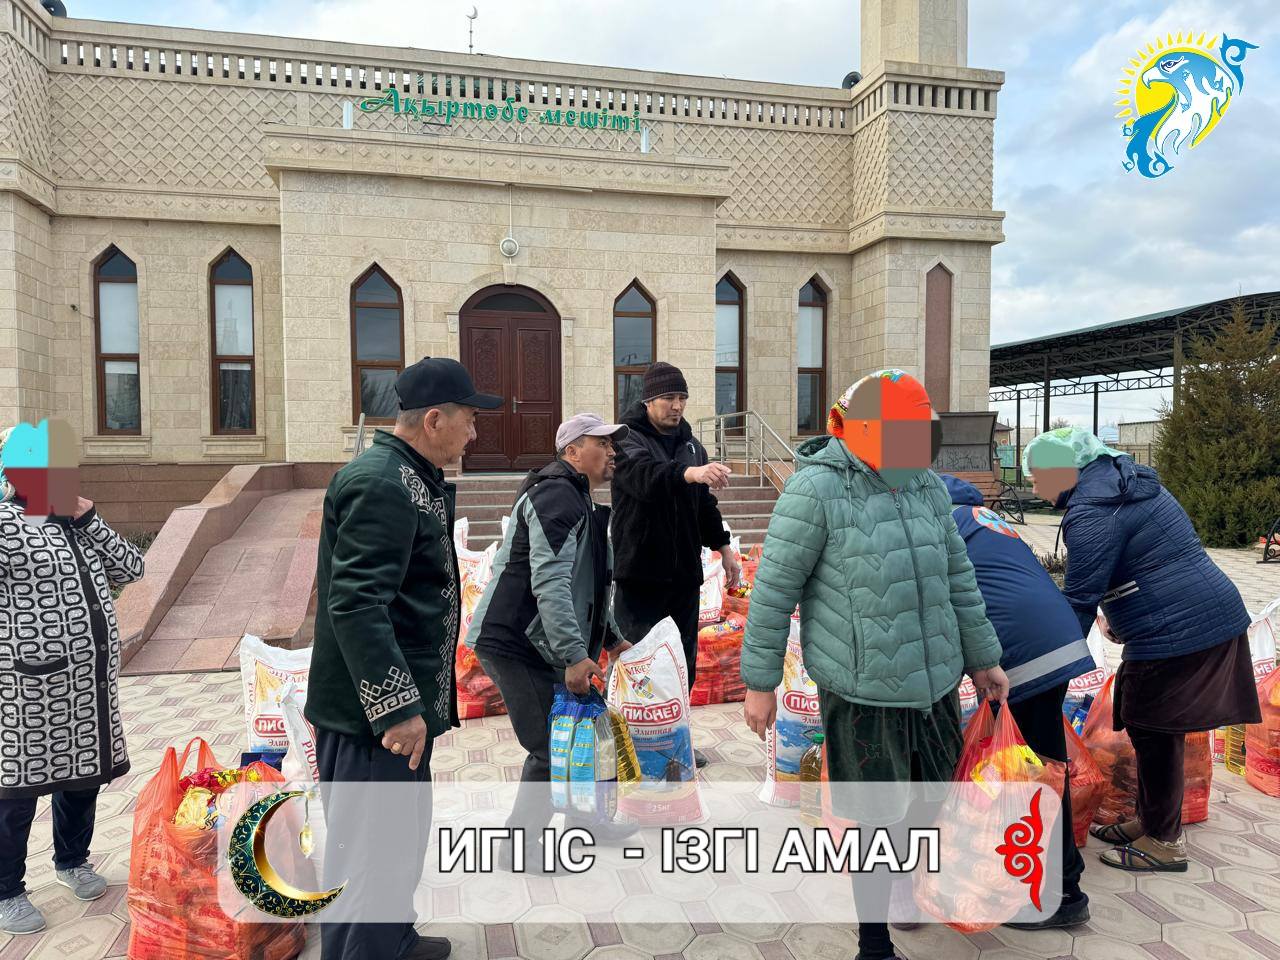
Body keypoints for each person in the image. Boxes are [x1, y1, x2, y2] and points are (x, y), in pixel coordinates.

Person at [741, 371, 1008, 960]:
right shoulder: (816, 489)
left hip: (936, 681)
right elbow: (774, 590)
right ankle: (873, 940)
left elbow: (958, 577)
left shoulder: (926, 485)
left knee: (930, 797)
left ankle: (906, 883)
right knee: (873, 817)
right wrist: (760, 682)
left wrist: (983, 657)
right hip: (863, 687)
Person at [305, 357, 501, 960]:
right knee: (366, 858)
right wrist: (394, 709)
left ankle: (393, 940)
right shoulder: (382, 483)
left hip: (399, 714)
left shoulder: (410, 475)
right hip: (372, 720)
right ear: (434, 420)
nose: (475, 433)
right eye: (469, 420)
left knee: (396, 842)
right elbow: (357, 603)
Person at [1022, 427, 1260, 873]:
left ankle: (1164, 841)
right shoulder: (1127, 483)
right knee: (1141, 718)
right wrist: (1120, 614)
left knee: (1155, 728)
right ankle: (1152, 821)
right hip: (1194, 614)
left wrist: (1049, 670)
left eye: (1037, 478)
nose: (1034, 488)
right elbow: (1147, 561)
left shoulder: (1093, 510)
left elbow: (1079, 599)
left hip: (1180, 629)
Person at [470, 413, 636, 867]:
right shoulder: (556, 496)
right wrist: (574, 655)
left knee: (584, 731)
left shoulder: (577, 497)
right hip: (514, 642)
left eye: (613, 444)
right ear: (572, 451)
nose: (613, 452)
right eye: (602, 443)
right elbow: (551, 583)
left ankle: (590, 824)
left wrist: (611, 638)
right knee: (549, 745)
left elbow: (590, 583)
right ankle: (518, 850)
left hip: (544, 640)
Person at [0, 424, 145, 935]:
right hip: (27, 691)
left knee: (83, 779)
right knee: (16, 793)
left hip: (88, 688)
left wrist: (89, 518)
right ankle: (6, 890)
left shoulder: (77, 520)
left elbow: (133, 568)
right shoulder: (5, 523)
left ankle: (72, 861)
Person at [939, 473, 1094, 928]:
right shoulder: (985, 521)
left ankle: (1060, 893)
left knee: (1033, 773)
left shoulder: (944, 524)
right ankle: (1053, 873)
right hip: (1057, 640)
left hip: (1022, 654)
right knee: (1042, 762)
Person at [610, 361, 741, 767]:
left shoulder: (691, 445)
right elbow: (644, 478)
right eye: (669, 397)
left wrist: (724, 547)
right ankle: (628, 748)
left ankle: (674, 742)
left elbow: (703, 504)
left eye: (682, 398)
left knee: (682, 661)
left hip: (683, 576)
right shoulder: (626, 440)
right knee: (638, 661)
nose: (677, 406)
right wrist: (690, 473)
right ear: (649, 400)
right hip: (640, 575)